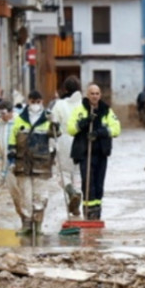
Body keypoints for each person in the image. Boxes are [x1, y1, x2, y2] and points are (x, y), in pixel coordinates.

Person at [67, 83, 122, 221]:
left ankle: (97, 212)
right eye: (92, 93)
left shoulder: (106, 110)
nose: (95, 96)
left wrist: (99, 132)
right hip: (85, 152)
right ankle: (88, 211)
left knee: (98, 183)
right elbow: (70, 129)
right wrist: (85, 122)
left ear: (100, 95)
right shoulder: (79, 110)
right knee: (88, 182)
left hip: (101, 152)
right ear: (87, 94)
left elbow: (116, 129)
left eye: (97, 93)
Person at [8, 90, 56, 232]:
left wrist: (54, 124)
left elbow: (55, 137)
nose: (35, 105)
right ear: (28, 102)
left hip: (42, 163)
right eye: (33, 102)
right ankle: (26, 224)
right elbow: (12, 139)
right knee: (25, 195)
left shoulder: (47, 118)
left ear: (42, 102)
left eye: (38, 102)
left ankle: (38, 224)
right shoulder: (20, 119)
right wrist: (11, 159)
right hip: (23, 163)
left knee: (40, 195)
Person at [50, 76, 83, 217]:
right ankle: (77, 202)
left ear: (65, 89)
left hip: (64, 141)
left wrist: (51, 147)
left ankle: (71, 192)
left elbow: (53, 126)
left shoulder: (59, 105)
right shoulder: (84, 104)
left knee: (62, 172)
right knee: (78, 173)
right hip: (81, 142)